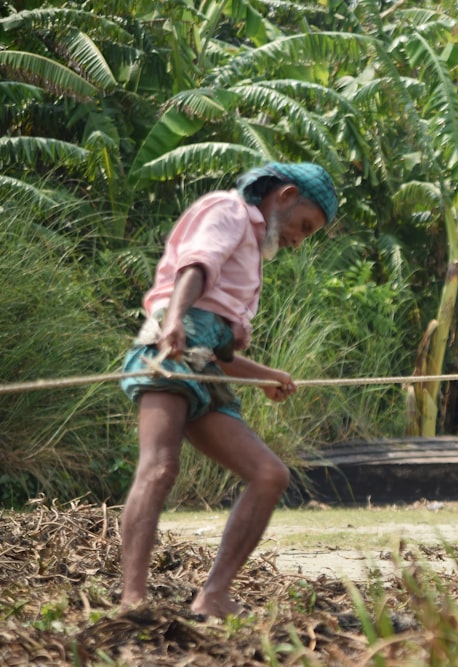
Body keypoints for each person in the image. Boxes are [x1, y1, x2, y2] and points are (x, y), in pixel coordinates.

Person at [118, 162, 338, 618]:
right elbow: (195, 266)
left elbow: (217, 352)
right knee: (159, 468)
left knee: (269, 474)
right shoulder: (229, 210)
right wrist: (174, 319)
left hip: (204, 365)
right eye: (304, 225)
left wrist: (266, 376)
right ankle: (133, 600)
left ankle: (213, 595)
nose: (299, 239)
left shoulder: (254, 253)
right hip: (171, 352)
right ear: (285, 194)